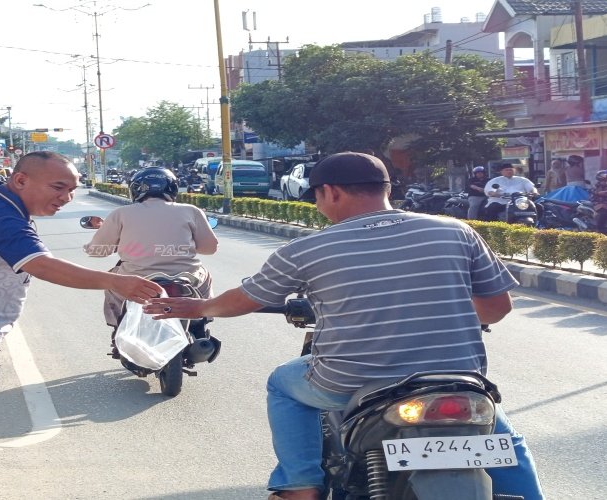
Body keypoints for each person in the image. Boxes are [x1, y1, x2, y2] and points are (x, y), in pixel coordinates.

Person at [144, 152, 544, 500]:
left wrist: (198, 307)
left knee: (283, 383)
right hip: (456, 379)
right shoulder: (456, 231)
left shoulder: (307, 249)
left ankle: (300, 484)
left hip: (350, 383)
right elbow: (495, 309)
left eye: (317, 197)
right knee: (502, 438)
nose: (319, 206)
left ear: (330, 192)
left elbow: (244, 300)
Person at [0, 151, 163, 500]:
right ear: (20, 180)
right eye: (58, 188)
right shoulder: (1, 216)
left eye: (72, 190)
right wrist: (116, 282)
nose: (66, 198)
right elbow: (41, 264)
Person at [83, 167, 218, 354]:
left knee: (112, 281)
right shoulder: (191, 211)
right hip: (188, 278)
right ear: (172, 189)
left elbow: (97, 251)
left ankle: (118, 330)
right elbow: (209, 249)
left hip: (137, 278)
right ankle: (200, 324)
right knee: (206, 275)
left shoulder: (121, 213)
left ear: (136, 189)